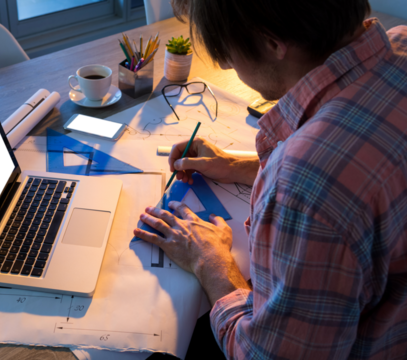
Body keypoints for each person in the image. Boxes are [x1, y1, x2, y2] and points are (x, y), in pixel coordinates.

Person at [134, 0, 407, 358]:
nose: (225, 64)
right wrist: (238, 166)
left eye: (226, 50)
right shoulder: (400, 45)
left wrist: (211, 263)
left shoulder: (305, 186)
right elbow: (361, 161)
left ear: (273, 44)